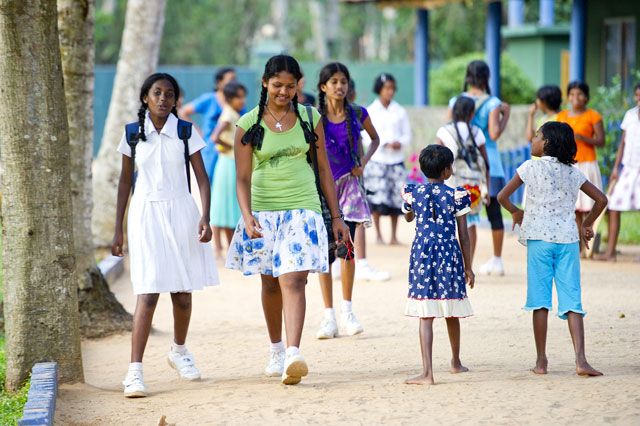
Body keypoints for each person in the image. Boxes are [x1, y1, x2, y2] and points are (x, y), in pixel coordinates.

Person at [226, 55, 350, 385]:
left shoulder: (310, 117)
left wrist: (337, 216)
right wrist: (247, 215)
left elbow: (323, 169)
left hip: (303, 207)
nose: (283, 92)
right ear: (265, 83)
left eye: (290, 86)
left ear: (299, 86)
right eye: (277, 85)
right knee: (270, 282)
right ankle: (276, 349)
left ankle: (294, 353)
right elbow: (242, 178)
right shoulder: (248, 123)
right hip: (263, 211)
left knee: (294, 279)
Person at [111, 73, 219, 398]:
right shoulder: (133, 134)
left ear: (175, 100)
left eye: (169, 94)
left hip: (182, 213)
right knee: (148, 293)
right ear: (145, 97)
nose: (163, 99)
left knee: (182, 294)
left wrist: (205, 216)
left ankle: (179, 351)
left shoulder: (185, 131)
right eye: (157, 93)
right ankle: (134, 372)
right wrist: (117, 229)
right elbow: (124, 182)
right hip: (146, 215)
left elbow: (202, 178)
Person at [497, 121, 606, 377]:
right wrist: (586, 224)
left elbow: (502, 196)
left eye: (536, 135)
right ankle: (581, 360)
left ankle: (541, 361)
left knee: (540, 301)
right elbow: (601, 200)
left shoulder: (529, 167)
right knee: (572, 300)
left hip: (539, 241)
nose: (533, 139)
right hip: (568, 241)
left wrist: (516, 212)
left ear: (546, 143)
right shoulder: (573, 172)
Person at [314, 62, 380, 339]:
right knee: (325, 253)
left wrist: (363, 163)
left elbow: (375, 139)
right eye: (334, 82)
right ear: (323, 87)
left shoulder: (358, 113)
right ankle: (328, 317)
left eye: (343, 81)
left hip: (350, 188)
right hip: (322, 189)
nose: (339, 86)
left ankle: (348, 312)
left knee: (347, 248)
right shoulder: (314, 117)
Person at [401, 144, 475, 385]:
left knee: (426, 313)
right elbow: (464, 235)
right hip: (449, 254)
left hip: (422, 255)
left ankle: (427, 373)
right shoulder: (456, 194)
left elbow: (408, 217)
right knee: (451, 310)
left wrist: (413, 208)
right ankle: (456, 362)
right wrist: (468, 266)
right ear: (447, 171)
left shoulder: (414, 192)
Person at [450, 60, 510, 275]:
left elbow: (449, 129)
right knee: (494, 212)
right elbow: (494, 134)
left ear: (467, 77)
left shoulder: (456, 100)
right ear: (486, 78)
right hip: (489, 162)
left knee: (466, 214)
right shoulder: (493, 102)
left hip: (462, 166)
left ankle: (465, 263)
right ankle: (497, 259)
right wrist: (506, 116)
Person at [436, 96, 490, 264]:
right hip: (473, 187)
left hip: (450, 184)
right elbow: (486, 163)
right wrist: (486, 189)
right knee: (471, 223)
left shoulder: (444, 131)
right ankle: (468, 263)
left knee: (447, 223)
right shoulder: (477, 132)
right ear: (472, 113)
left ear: (453, 111)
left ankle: (449, 263)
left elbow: (437, 159)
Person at [556, 81, 605, 255]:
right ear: (568, 97)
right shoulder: (561, 116)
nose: (575, 97)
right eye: (572, 94)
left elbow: (601, 141)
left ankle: (588, 245)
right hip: (569, 164)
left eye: (579, 94)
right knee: (573, 208)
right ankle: (576, 246)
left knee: (589, 205)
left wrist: (583, 138)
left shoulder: (593, 116)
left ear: (586, 97)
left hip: (588, 165)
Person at [364, 73, 412, 246]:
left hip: (396, 161)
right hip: (377, 160)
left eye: (392, 88)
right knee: (376, 198)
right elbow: (365, 136)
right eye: (386, 88)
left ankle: (393, 236)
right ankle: (378, 235)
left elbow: (407, 135)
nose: (390, 92)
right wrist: (382, 143)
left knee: (396, 199)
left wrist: (400, 143)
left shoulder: (400, 111)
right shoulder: (371, 110)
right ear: (379, 89)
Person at [597, 83, 640, 261]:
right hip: (628, 169)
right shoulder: (630, 115)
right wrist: (616, 168)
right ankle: (610, 252)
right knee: (613, 205)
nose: (639, 99)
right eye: (637, 95)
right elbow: (622, 143)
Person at [209, 81, 247, 257]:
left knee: (225, 204)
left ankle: (223, 247)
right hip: (228, 163)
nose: (242, 100)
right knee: (226, 203)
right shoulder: (229, 114)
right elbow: (215, 137)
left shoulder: (233, 113)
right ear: (230, 99)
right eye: (239, 97)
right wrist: (233, 147)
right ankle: (222, 247)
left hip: (229, 162)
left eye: (243, 96)